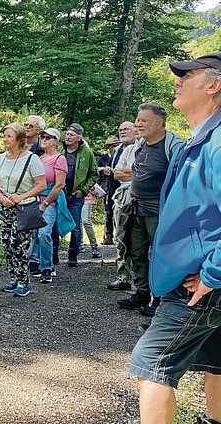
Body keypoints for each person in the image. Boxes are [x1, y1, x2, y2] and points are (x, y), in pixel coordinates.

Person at [129, 52, 221, 424]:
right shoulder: (200, 140)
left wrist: (214, 274)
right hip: (200, 279)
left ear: (214, 85)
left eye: (188, 75)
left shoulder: (217, 144)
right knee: (216, 361)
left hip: (199, 284)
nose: (177, 81)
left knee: (150, 365)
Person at [117, 103, 183, 316]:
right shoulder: (139, 146)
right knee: (136, 253)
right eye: (137, 120)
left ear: (159, 123)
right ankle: (142, 293)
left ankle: (162, 299)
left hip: (160, 213)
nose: (138, 124)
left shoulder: (174, 146)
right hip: (136, 208)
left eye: (143, 120)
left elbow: (182, 181)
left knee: (161, 256)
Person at [0, 123, 46, 297]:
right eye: (4, 136)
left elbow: (41, 185)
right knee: (6, 244)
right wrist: (2, 198)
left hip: (23, 208)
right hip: (4, 207)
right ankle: (13, 278)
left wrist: (20, 197)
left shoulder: (32, 159)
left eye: (9, 136)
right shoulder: (0, 158)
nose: (5, 139)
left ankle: (24, 281)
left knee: (18, 245)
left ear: (19, 139)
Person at [27, 127, 67, 284]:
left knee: (44, 233)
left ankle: (47, 267)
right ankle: (34, 263)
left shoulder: (59, 159)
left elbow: (59, 185)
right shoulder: (37, 158)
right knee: (33, 234)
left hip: (49, 201)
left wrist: (45, 203)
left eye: (48, 137)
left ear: (56, 141)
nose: (44, 139)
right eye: (42, 137)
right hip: (33, 200)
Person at [59, 123, 97, 268]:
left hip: (76, 195)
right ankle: (53, 254)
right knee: (56, 224)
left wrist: (83, 190)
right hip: (59, 194)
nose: (68, 137)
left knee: (75, 226)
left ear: (79, 138)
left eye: (71, 135)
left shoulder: (86, 153)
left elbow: (93, 174)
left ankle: (73, 254)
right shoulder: (60, 150)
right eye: (67, 134)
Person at [106, 121, 137, 291]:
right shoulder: (119, 150)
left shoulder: (143, 148)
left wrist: (130, 173)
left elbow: (143, 172)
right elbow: (117, 174)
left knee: (137, 239)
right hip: (118, 197)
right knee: (120, 238)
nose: (122, 131)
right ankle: (123, 276)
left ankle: (140, 280)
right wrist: (129, 172)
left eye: (126, 128)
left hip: (138, 198)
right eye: (120, 129)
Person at [97, 135, 120, 245]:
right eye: (113, 145)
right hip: (107, 186)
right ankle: (108, 235)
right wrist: (103, 170)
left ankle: (118, 235)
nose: (115, 147)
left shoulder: (121, 156)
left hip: (118, 185)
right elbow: (96, 171)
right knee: (108, 212)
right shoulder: (103, 159)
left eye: (117, 145)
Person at [80, 187, 101, 259]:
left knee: (85, 221)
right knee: (77, 222)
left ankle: (94, 246)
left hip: (87, 197)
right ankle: (79, 244)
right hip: (74, 197)